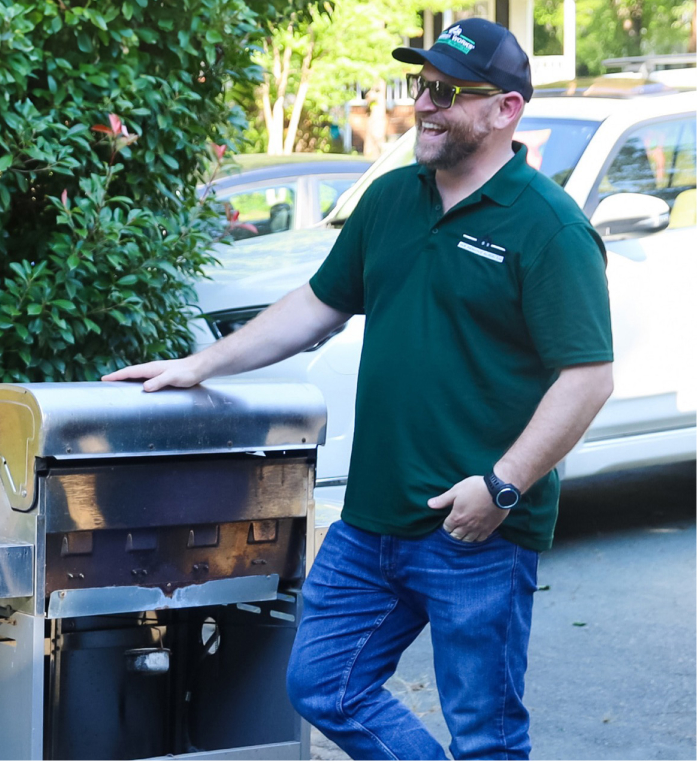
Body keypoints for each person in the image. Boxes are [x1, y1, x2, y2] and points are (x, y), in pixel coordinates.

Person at [103, 18, 614, 760]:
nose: (425, 104)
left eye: (448, 92)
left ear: (506, 109)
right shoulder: (391, 200)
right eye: (421, 85)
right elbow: (316, 306)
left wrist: (501, 486)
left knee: (486, 736)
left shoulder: (549, 228)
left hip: (477, 528)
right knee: (323, 685)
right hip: (372, 521)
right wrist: (201, 364)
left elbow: (588, 378)